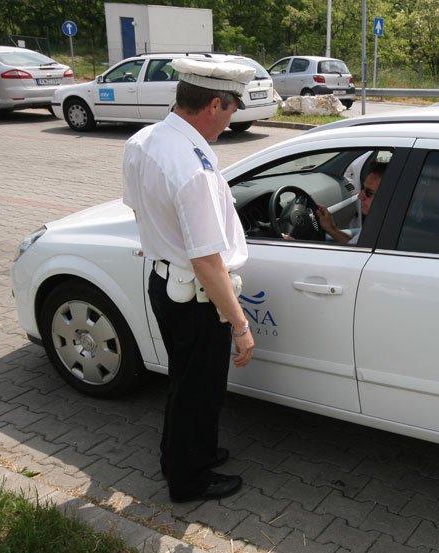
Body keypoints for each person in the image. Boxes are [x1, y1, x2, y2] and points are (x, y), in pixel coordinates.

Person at [122, 57, 256, 503]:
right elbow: (207, 261)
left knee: (185, 382)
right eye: (233, 108)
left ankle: (183, 453)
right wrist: (239, 324)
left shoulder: (144, 141)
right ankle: (188, 479)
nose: (232, 118)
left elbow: (137, 208)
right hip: (196, 296)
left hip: (165, 285)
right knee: (198, 390)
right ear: (215, 103)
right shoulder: (193, 166)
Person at [316, 162, 387, 244]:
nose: (360, 196)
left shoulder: (381, 234)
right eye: (363, 189)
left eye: (369, 192)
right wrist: (331, 228)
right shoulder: (382, 224)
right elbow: (354, 245)